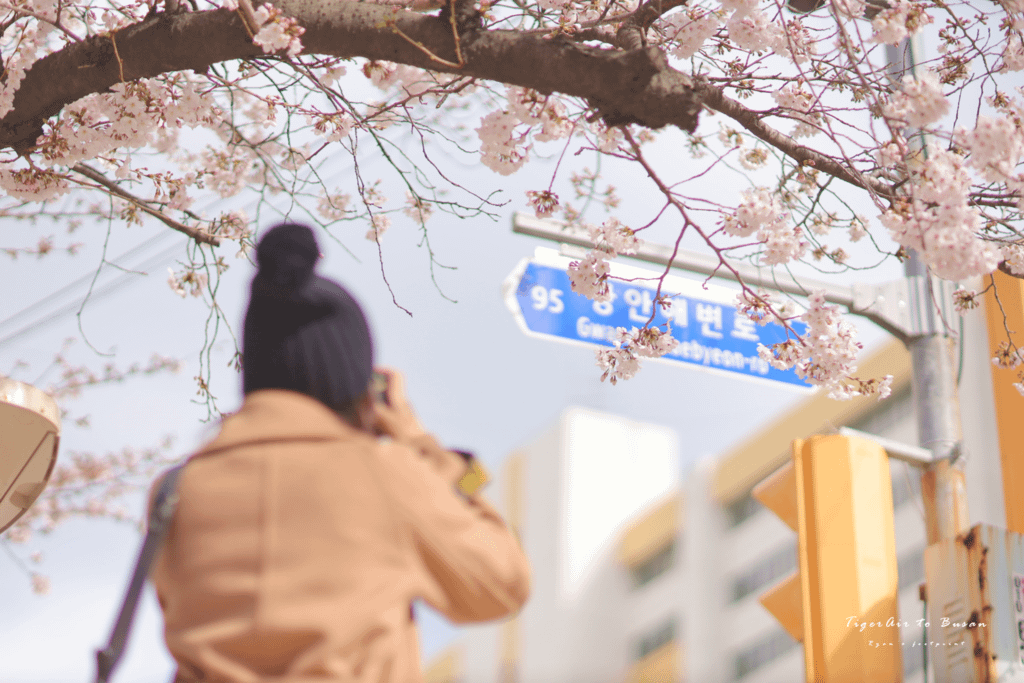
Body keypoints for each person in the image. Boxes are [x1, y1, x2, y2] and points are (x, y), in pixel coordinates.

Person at [150, 222, 531, 683]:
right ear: (352, 381)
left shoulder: (176, 490)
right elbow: (501, 585)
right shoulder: (386, 474)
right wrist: (418, 441)